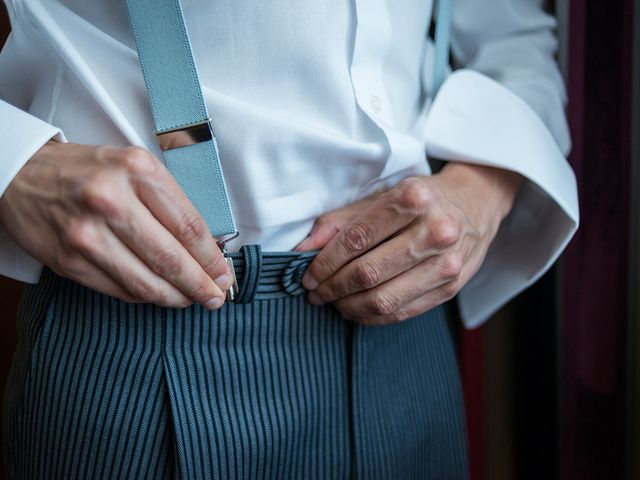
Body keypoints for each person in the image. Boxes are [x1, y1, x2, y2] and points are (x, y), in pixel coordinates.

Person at [0, 0, 579, 478]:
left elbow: (515, 36)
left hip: (409, 338)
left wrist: (485, 185)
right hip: (141, 342)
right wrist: (14, 167)